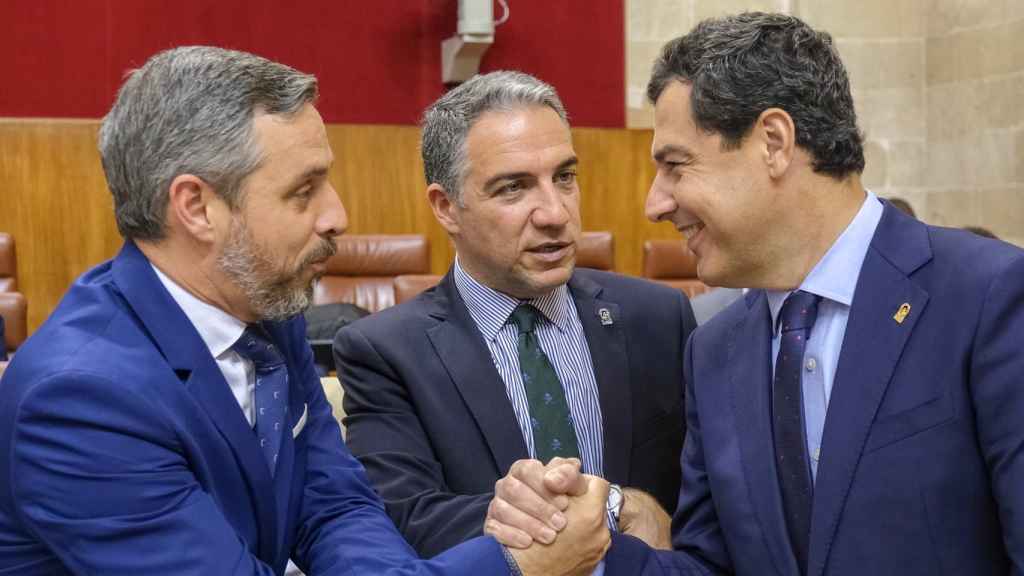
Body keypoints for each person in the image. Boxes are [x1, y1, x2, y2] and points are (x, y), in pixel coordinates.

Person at [0, 46, 620, 576]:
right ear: (196, 208)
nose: (337, 215)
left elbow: (333, 508)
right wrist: (517, 563)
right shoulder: (81, 399)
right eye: (304, 191)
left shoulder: (265, 310)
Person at [637, 12, 1024, 575]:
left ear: (773, 141)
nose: (655, 203)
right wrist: (597, 551)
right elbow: (712, 565)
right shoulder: (712, 351)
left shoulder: (988, 297)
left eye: (675, 165)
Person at [333, 70, 695, 559]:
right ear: (446, 208)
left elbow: (706, 493)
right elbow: (403, 514)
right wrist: (530, 513)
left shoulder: (658, 318)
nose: (554, 212)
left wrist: (647, 510)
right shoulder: (386, 351)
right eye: (513, 188)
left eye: (564, 177)